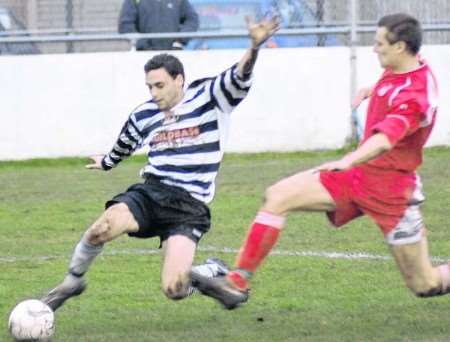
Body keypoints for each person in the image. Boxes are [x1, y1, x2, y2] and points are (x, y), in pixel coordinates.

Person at [192, 13, 446, 310]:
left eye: (379, 44)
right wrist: (373, 91)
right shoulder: (405, 65)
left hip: (391, 191)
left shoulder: (416, 95)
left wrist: (348, 159)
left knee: (424, 283)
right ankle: (237, 282)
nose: (374, 49)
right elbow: (398, 89)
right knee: (278, 195)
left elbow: (385, 140)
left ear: (401, 46)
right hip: (357, 176)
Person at [41, 16, 280, 312]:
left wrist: (254, 46)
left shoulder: (210, 96)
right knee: (102, 228)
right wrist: (107, 162)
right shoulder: (145, 114)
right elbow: (125, 143)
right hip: (150, 195)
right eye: (149, 86)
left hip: (188, 207)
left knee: (175, 289)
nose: (154, 93)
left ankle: (210, 272)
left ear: (179, 79)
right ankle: (72, 281)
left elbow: (239, 75)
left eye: (160, 85)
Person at [118, 0, 199, 51]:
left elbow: (192, 19)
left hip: (173, 53)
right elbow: (125, 25)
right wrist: (142, 43)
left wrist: (180, 40)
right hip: (144, 54)